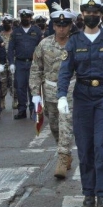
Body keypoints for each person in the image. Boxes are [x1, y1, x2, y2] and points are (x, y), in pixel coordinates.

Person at [57, 0, 103, 207]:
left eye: (95, 13)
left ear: (100, 15)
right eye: (87, 13)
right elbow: (65, 70)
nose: (91, 16)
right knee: (86, 147)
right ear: (82, 15)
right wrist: (61, 95)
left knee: (102, 146)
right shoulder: (75, 41)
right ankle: (88, 192)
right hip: (82, 96)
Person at [30, 10, 77, 179]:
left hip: (71, 90)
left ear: (70, 26)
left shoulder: (76, 43)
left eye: (65, 26)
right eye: (58, 25)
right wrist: (35, 94)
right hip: (49, 91)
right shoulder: (44, 44)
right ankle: (64, 151)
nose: (61, 29)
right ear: (54, 26)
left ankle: (63, 158)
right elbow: (36, 69)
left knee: (66, 124)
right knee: (55, 126)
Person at [9, 10, 44, 119]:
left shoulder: (36, 31)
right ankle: (22, 110)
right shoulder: (15, 31)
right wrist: (11, 63)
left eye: (27, 17)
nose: (25, 19)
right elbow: (10, 48)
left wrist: (41, 64)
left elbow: (41, 48)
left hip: (33, 63)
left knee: (33, 87)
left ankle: (33, 110)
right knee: (20, 87)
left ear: (30, 18)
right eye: (23, 17)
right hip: (20, 63)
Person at [0, 14, 15, 111]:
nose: (7, 24)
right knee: (2, 81)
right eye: (5, 23)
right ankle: (2, 100)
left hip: (13, 61)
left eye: (8, 23)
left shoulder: (15, 34)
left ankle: (15, 100)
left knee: (14, 81)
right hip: (2, 61)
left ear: (12, 23)